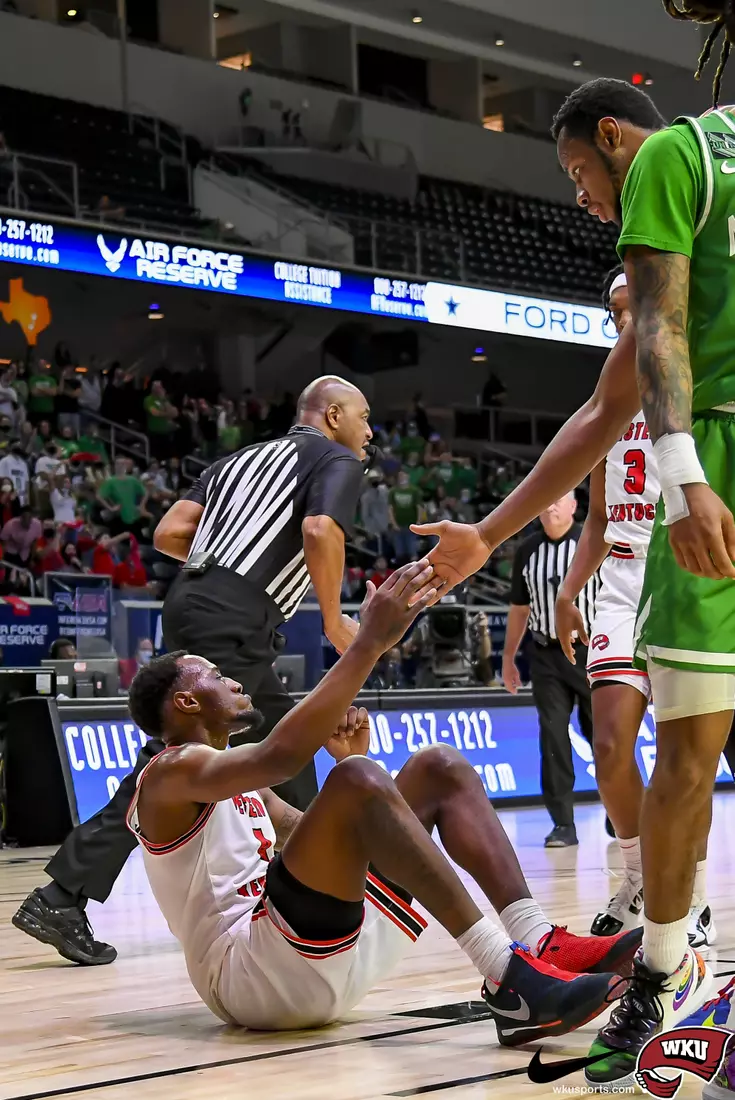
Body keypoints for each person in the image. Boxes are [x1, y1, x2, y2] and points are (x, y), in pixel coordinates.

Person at [414, 67, 735, 1087]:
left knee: (684, 750)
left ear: (612, 138)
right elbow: (607, 409)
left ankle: (668, 963)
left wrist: (683, 479)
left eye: (577, 175)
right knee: (661, 742)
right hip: (674, 503)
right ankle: (667, 960)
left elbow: (643, 352)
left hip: (708, 470)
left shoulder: (671, 155)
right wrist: (500, 534)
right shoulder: (701, 162)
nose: (582, 201)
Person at [122, 564, 642, 1039]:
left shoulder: (236, 780)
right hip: (251, 977)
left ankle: (537, 940)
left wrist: (355, 776)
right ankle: (510, 979)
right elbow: (280, 756)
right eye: (215, 676)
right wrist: (367, 643)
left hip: (310, 950)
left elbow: (308, 833)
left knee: (438, 768)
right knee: (357, 778)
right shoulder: (169, 773)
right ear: (187, 702)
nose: (233, 680)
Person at [12, 376, 372, 967]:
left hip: (200, 599)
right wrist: (333, 618)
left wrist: (231, 556)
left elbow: (170, 533)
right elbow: (318, 529)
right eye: (363, 419)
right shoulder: (334, 456)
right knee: (173, 763)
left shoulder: (238, 460)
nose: (369, 433)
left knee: (291, 742)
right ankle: (62, 893)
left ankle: (312, 874)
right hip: (235, 613)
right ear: (332, 415)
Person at [555, 267, 715, 948]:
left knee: (687, 758)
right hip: (619, 583)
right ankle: (637, 880)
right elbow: (592, 518)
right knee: (611, 748)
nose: (626, 321)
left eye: (635, 308)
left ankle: (693, 895)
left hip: (681, 572)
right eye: (615, 312)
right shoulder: (608, 400)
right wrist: (566, 592)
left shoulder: (691, 384)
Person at [504, 491, 597, 848]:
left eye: (559, 500)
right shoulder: (527, 550)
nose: (550, 505)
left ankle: (619, 814)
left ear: (574, 506)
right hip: (545, 654)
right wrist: (509, 657)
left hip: (589, 652)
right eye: (547, 500)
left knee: (604, 738)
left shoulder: (592, 543)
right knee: (553, 736)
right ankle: (563, 824)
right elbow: (518, 608)